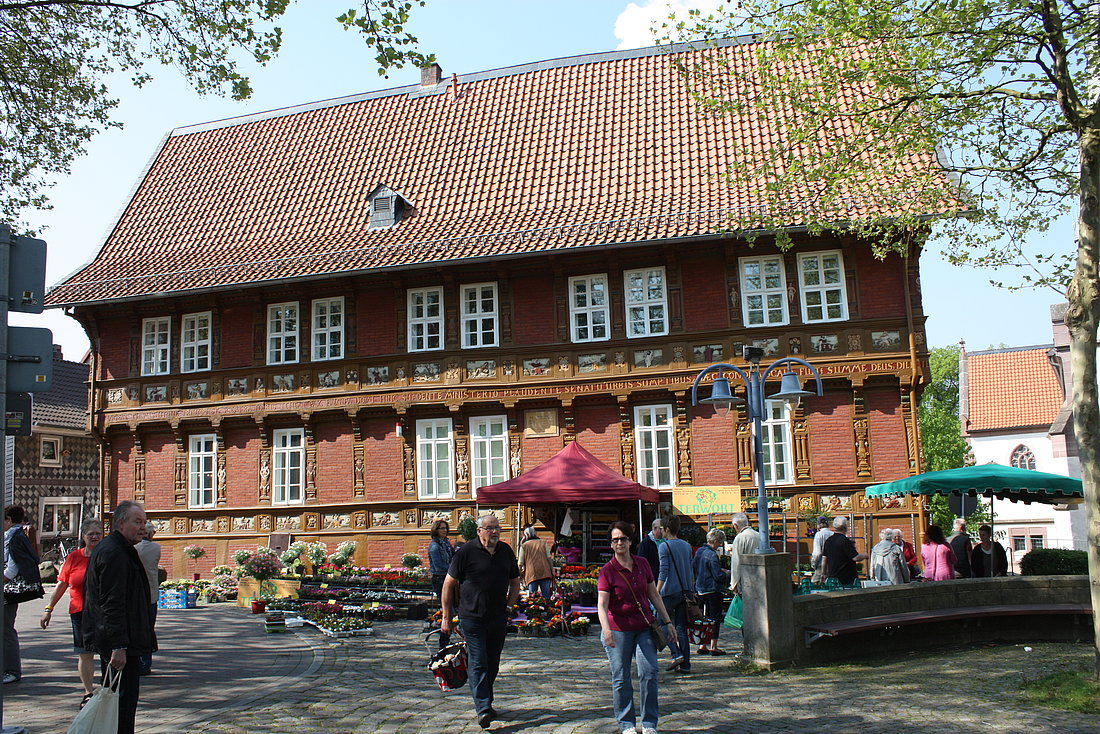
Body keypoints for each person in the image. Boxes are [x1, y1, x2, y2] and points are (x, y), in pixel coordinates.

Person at [83, 500, 157, 734]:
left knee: (121, 703)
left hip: (125, 639)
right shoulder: (114, 551)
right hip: (120, 642)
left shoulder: (121, 549)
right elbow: (111, 603)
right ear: (121, 523)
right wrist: (119, 645)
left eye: (144, 522)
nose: (142, 528)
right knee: (120, 705)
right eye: (137, 522)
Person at [597, 521, 677, 734]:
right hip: (618, 629)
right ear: (611, 545)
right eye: (615, 540)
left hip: (644, 627)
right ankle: (627, 723)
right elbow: (602, 605)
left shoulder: (642, 564)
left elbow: (654, 594)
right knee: (621, 676)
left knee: (649, 672)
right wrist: (606, 630)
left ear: (630, 541)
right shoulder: (607, 571)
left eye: (623, 538)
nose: (619, 543)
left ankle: (649, 722)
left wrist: (667, 621)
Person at [441, 514, 520, 730]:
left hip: (497, 618)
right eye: (489, 528)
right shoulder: (466, 552)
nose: (494, 532)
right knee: (478, 661)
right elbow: (448, 584)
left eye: (497, 528)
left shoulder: (505, 551)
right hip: (471, 617)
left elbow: (515, 581)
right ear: (479, 531)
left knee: (492, 663)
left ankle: (486, 701)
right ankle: (483, 708)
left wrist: (509, 607)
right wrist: (446, 617)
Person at [40, 518, 104, 705]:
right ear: (83, 536)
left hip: (105, 612)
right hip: (80, 612)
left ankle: (110, 689)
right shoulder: (74, 557)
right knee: (85, 653)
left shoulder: (108, 555)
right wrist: (48, 609)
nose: (94, 536)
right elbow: (62, 585)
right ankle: (88, 692)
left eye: (98, 533)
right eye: (90, 533)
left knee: (108, 653)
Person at [4, 504, 42, 684]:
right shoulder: (14, 536)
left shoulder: (14, 537)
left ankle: (11, 670)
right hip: (9, 589)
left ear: (9, 520)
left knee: (6, 630)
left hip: (9, 591)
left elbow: (12, 567)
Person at [656, 515, 694, 674]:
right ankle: (685, 664)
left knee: (661, 622)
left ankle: (675, 653)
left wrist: (656, 591)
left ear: (667, 529)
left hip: (669, 592)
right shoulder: (686, 546)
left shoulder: (664, 546)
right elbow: (691, 569)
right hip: (685, 592)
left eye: (662, 528)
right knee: (681, 628)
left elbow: (663, 571)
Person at [692, 528, 729, 656]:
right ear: (715, 541)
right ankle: (714, 646)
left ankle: (702, 644)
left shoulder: (699, 552)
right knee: (715, 618)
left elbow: (695, 569)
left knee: (704, 618)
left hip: (700, 589)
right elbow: (717, 576)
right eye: (719, 542)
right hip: (713, 590)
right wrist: (727, 574)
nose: (720, 545)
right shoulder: (712, 555)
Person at [135, 521, 161, 675]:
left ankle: (136, 661)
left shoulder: (132, 547)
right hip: (151, 593)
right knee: (148, 628)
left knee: (135, 628)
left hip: (134, 595)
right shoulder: (155, 547)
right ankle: (146, 662)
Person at [427, 519, 455, 647]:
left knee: (452, 608)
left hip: (450, 577)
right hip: (440, 579)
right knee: (447, 608)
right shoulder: (435, 546)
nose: (444, 530)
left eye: (445, 528)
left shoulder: (447, 543)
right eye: (442, 528)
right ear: (436, 530)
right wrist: (453, 568)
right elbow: (438, 566)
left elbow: (454, 558)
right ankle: (443, 641)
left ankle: (448, 636)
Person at [821, 516, 867, 586]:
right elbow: (855, 558)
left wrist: (823, 573)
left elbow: (824, 559)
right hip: (846, 578)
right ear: (845, 527)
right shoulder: (845, 541)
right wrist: (865, 555)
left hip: (833, 577)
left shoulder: (828, 540)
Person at [728, 512, 761, 596]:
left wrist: (734, 583)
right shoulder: (759, 535)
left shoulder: (740, 538)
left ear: (735, 525)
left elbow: (736, 562)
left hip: (746, 579)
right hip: (760, 577)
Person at [517, 526, 554, 598]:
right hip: (545, 572)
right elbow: (549, 558)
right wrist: (552, 570)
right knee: (546, 596)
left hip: (531, 574)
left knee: (532, 597)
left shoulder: (524, 546)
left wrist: (519, 574)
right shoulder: (543, 543)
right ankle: (547, 608)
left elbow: (520, 563)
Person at [809, 516, 833, 584]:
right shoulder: (832, 534)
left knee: (815, 584)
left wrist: (814, 564)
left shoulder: (819, 535)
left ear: (819, 525)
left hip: (821, 566)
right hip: (832, 565)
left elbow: (817, 553)